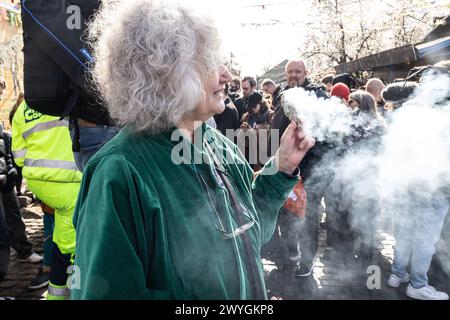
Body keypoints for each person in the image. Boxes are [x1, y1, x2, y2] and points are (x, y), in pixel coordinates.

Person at [71, 0, 315, 300]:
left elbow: (252, 233)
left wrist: (281, 167)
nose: (226, 76)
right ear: (166, 71)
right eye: (211, 62)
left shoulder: (220, 145)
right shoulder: (119, 171)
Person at [11, 100, 82, 299]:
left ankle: (56, 291)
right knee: (73, 247)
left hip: (39, 182)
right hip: (71, 181)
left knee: (62, 237)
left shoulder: (24, 107)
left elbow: (18, 156)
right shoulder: (71, 94)